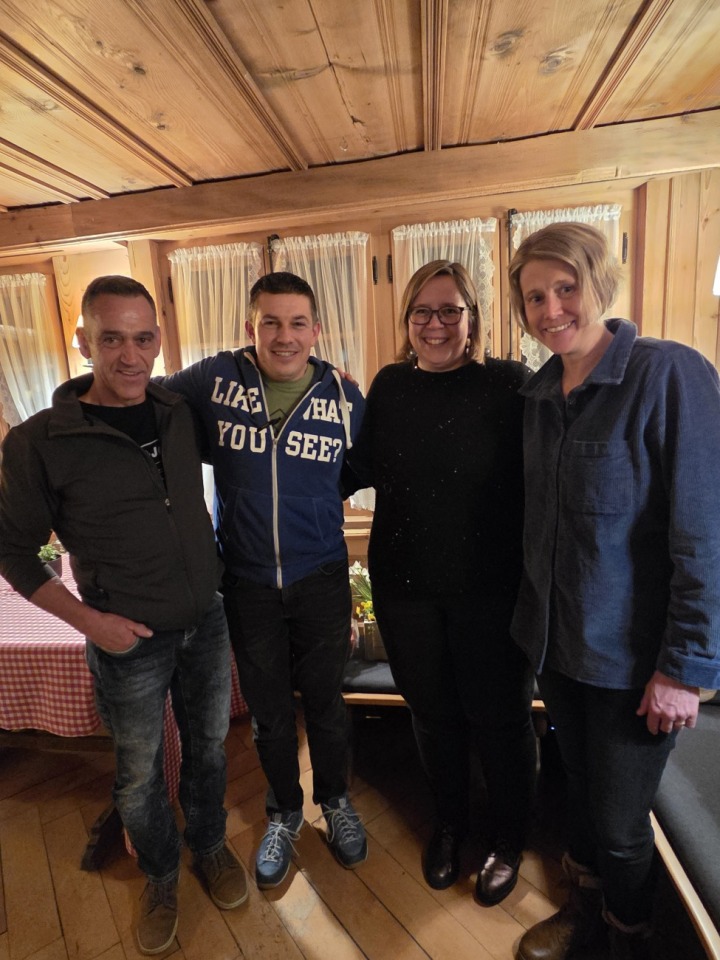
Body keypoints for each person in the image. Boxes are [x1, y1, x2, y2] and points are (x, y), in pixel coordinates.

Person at [0, 276, 247, 956]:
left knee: (207, 754)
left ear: (158, 339)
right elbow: (14, 553)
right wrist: (90, 624)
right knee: (138, 776)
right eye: (111, 339)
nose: (129, 355)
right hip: (125, 641)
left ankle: (209, 846)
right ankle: (161, 873)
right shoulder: (39, 440)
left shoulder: (176, 410)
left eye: (142, 338)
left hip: (206, 621)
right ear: (84, 342)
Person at [508, 222, 720, 960]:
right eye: (535, 295)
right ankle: (587, 915)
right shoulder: (538, 395)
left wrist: (685, 670)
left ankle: (629, 940)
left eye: (566, 287)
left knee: (624, 824)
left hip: (636, 663)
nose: (550, 307)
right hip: (558, 648)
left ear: (601, 282)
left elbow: (704, 531)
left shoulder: (668, 374)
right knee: (578, 794)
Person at [160, 271, 368, 889]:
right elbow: (146, 403)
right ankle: (283, 812)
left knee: (327, 704)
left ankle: (334, 801)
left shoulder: (344, 397)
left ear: (317, 330)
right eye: (270, 322)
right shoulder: (212, 380)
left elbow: (356, 471)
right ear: (250, 326)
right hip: (247, 583)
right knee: (271, 715)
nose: (284, 336)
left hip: (323, 576)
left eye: (297, 322)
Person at [348, 260, 537, 905]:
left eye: (450, 310)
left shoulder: (508, 384)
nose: (435, 324)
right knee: (432, 719)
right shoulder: (391, 387)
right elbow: (354, 468)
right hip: (405, 589)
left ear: (472, 317)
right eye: (422, 312)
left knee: (502, 719)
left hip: (492, 591)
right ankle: (450, 824)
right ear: (407, 321)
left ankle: (509, 838)